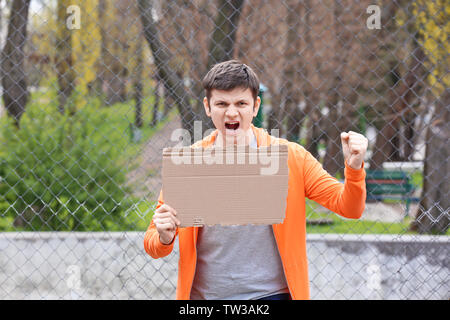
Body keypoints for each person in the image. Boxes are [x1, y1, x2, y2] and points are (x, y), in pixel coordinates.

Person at [144, 60, 368, 300]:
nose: (232, 113)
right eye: (222, 104)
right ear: (208, 107)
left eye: (241, 103)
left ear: (255, 106)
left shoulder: (291, 158)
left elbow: (350, 208)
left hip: (270, 296)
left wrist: (354, 168)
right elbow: (152, 243)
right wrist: (165, 237)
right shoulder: (190, 163)